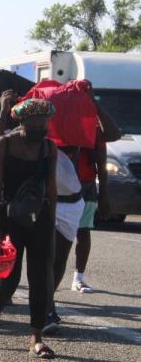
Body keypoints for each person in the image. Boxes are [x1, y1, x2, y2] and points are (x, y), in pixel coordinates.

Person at [0, 98, 57, 359]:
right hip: (8, 216)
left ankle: (36, 337)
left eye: (43, 125)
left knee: (39, 277)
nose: (40, 130)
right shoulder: (4, 144)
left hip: (39, 217)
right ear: (22, 123)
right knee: (10, 274)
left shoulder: (49, 148)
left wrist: (52, 222)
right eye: (34, 126)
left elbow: (51, 189)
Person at [72, 86, 121, 293]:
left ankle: (78, 278)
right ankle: (49, 279)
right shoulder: (58, 123)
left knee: (83, 232)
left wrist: (104, 196)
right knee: (55, 238)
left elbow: (114, 135)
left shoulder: (93, 129)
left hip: (86, 185)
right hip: (60, 186)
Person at [43, 146, 85, 335]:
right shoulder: (31, 129)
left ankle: (46, 302)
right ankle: (47, 310)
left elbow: (111, 135)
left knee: (60, 259)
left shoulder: (77, 125)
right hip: (44, 200)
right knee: (46, 256)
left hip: (73, 202)